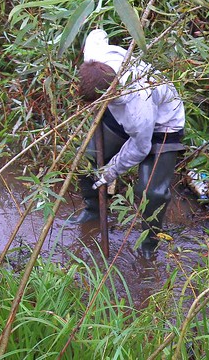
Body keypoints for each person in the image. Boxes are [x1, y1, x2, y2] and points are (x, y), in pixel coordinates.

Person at [69, 29, 186, 258]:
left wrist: (111, 171)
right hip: (116, 111)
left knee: (152, 192)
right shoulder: (96, 56)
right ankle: (93, 211)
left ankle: (149, 243)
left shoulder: (137, 105)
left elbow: (140, 147)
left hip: (163, 125)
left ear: (111, 92)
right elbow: (97, 33)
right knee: (88, 160)